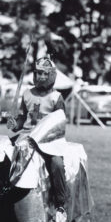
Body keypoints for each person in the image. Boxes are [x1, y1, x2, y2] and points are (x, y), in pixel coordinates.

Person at [7, 56, 67, 210]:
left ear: (52, 76)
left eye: (45, 73)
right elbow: (22, 118)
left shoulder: (56, 97)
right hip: (26, 137)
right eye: (38, 73)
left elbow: (60, 124)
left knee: (57, 164)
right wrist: (15, 125)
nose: (41, 77)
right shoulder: (27, 94)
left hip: (48, 140)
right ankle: (3, 198)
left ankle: (60, 203)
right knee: (4, 157)